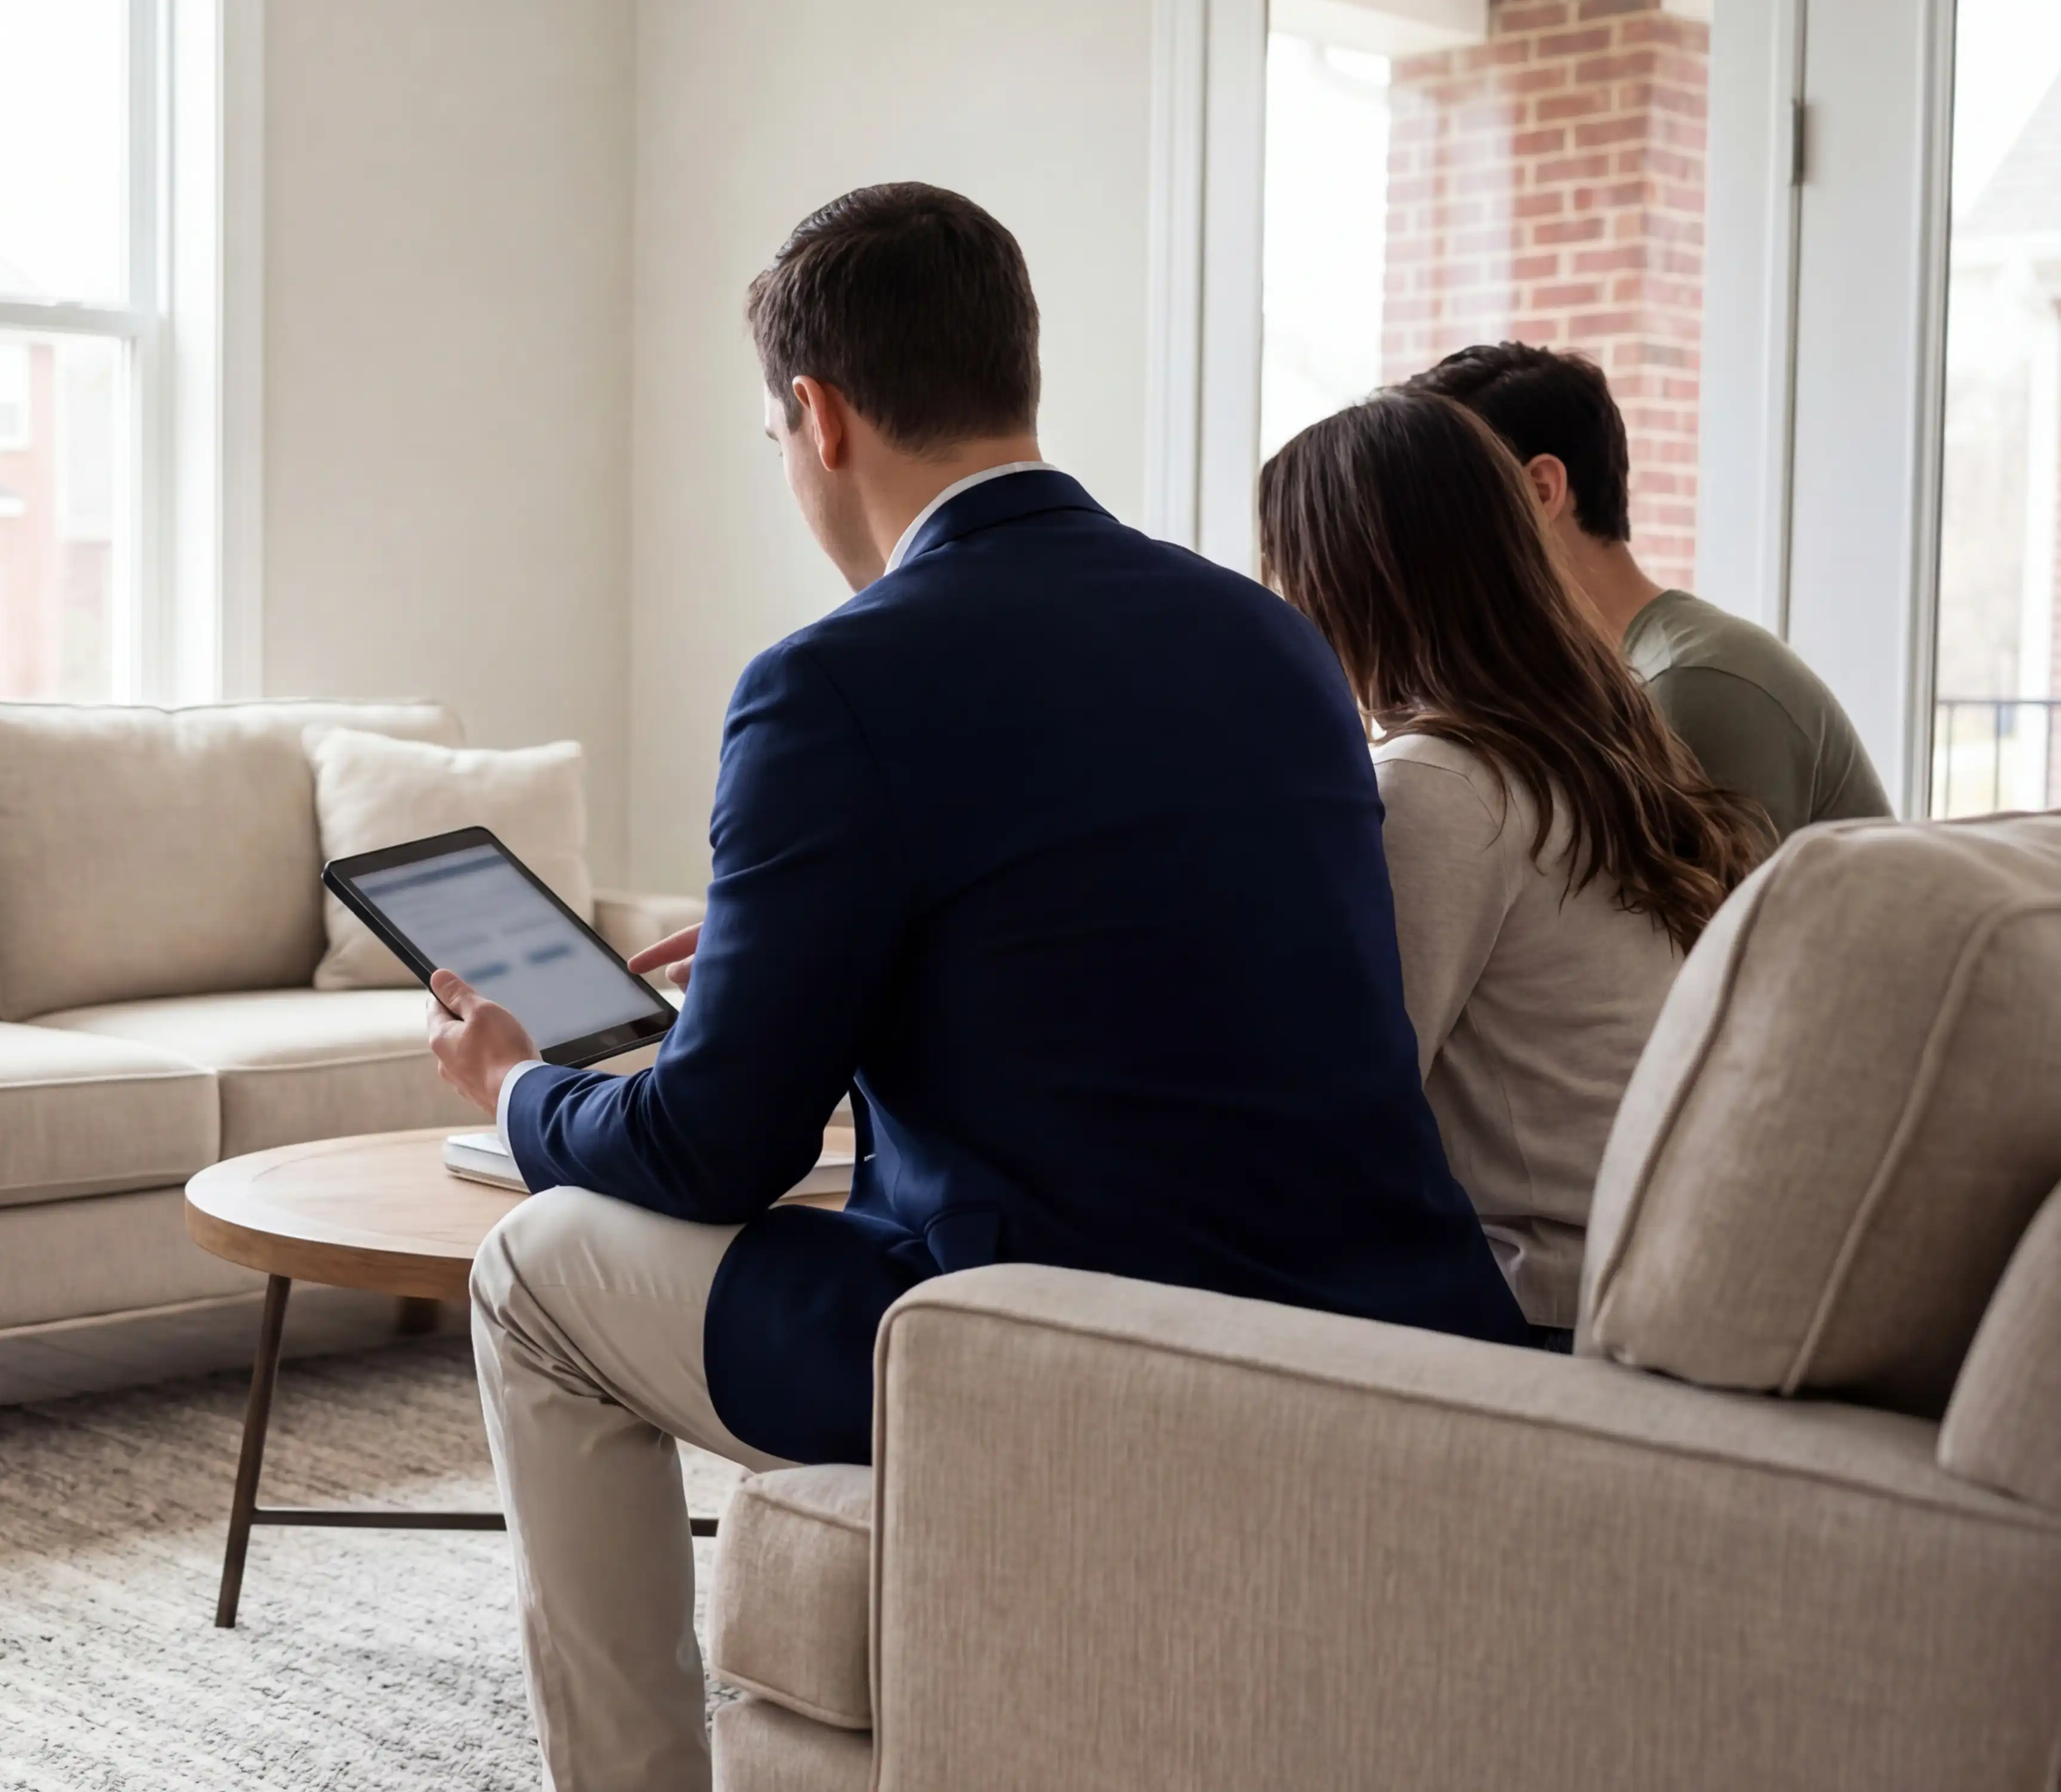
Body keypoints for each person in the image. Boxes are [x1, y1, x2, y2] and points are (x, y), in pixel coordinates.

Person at [423, 182, 1531, 1792]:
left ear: (818, 416)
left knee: (535, 1268)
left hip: (1074, 1364)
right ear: (1015, 372)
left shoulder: (830, 684)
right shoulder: (1273, 643)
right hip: (1386, 1334)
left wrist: (522, 1087)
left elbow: (713, 1154)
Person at [1260, 392, 1770, 1333]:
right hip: (1648, 1267)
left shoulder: (1439, 783)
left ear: (1342, 584)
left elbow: (1349, 1095)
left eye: (1285, 578)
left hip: (1549, 1305)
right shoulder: (1593, 748)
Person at [1405, 342, 1893, 836]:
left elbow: (1710, 914)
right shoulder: (1604, 685)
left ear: (1541, 491)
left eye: (1446, 504)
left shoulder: (1692, 683)